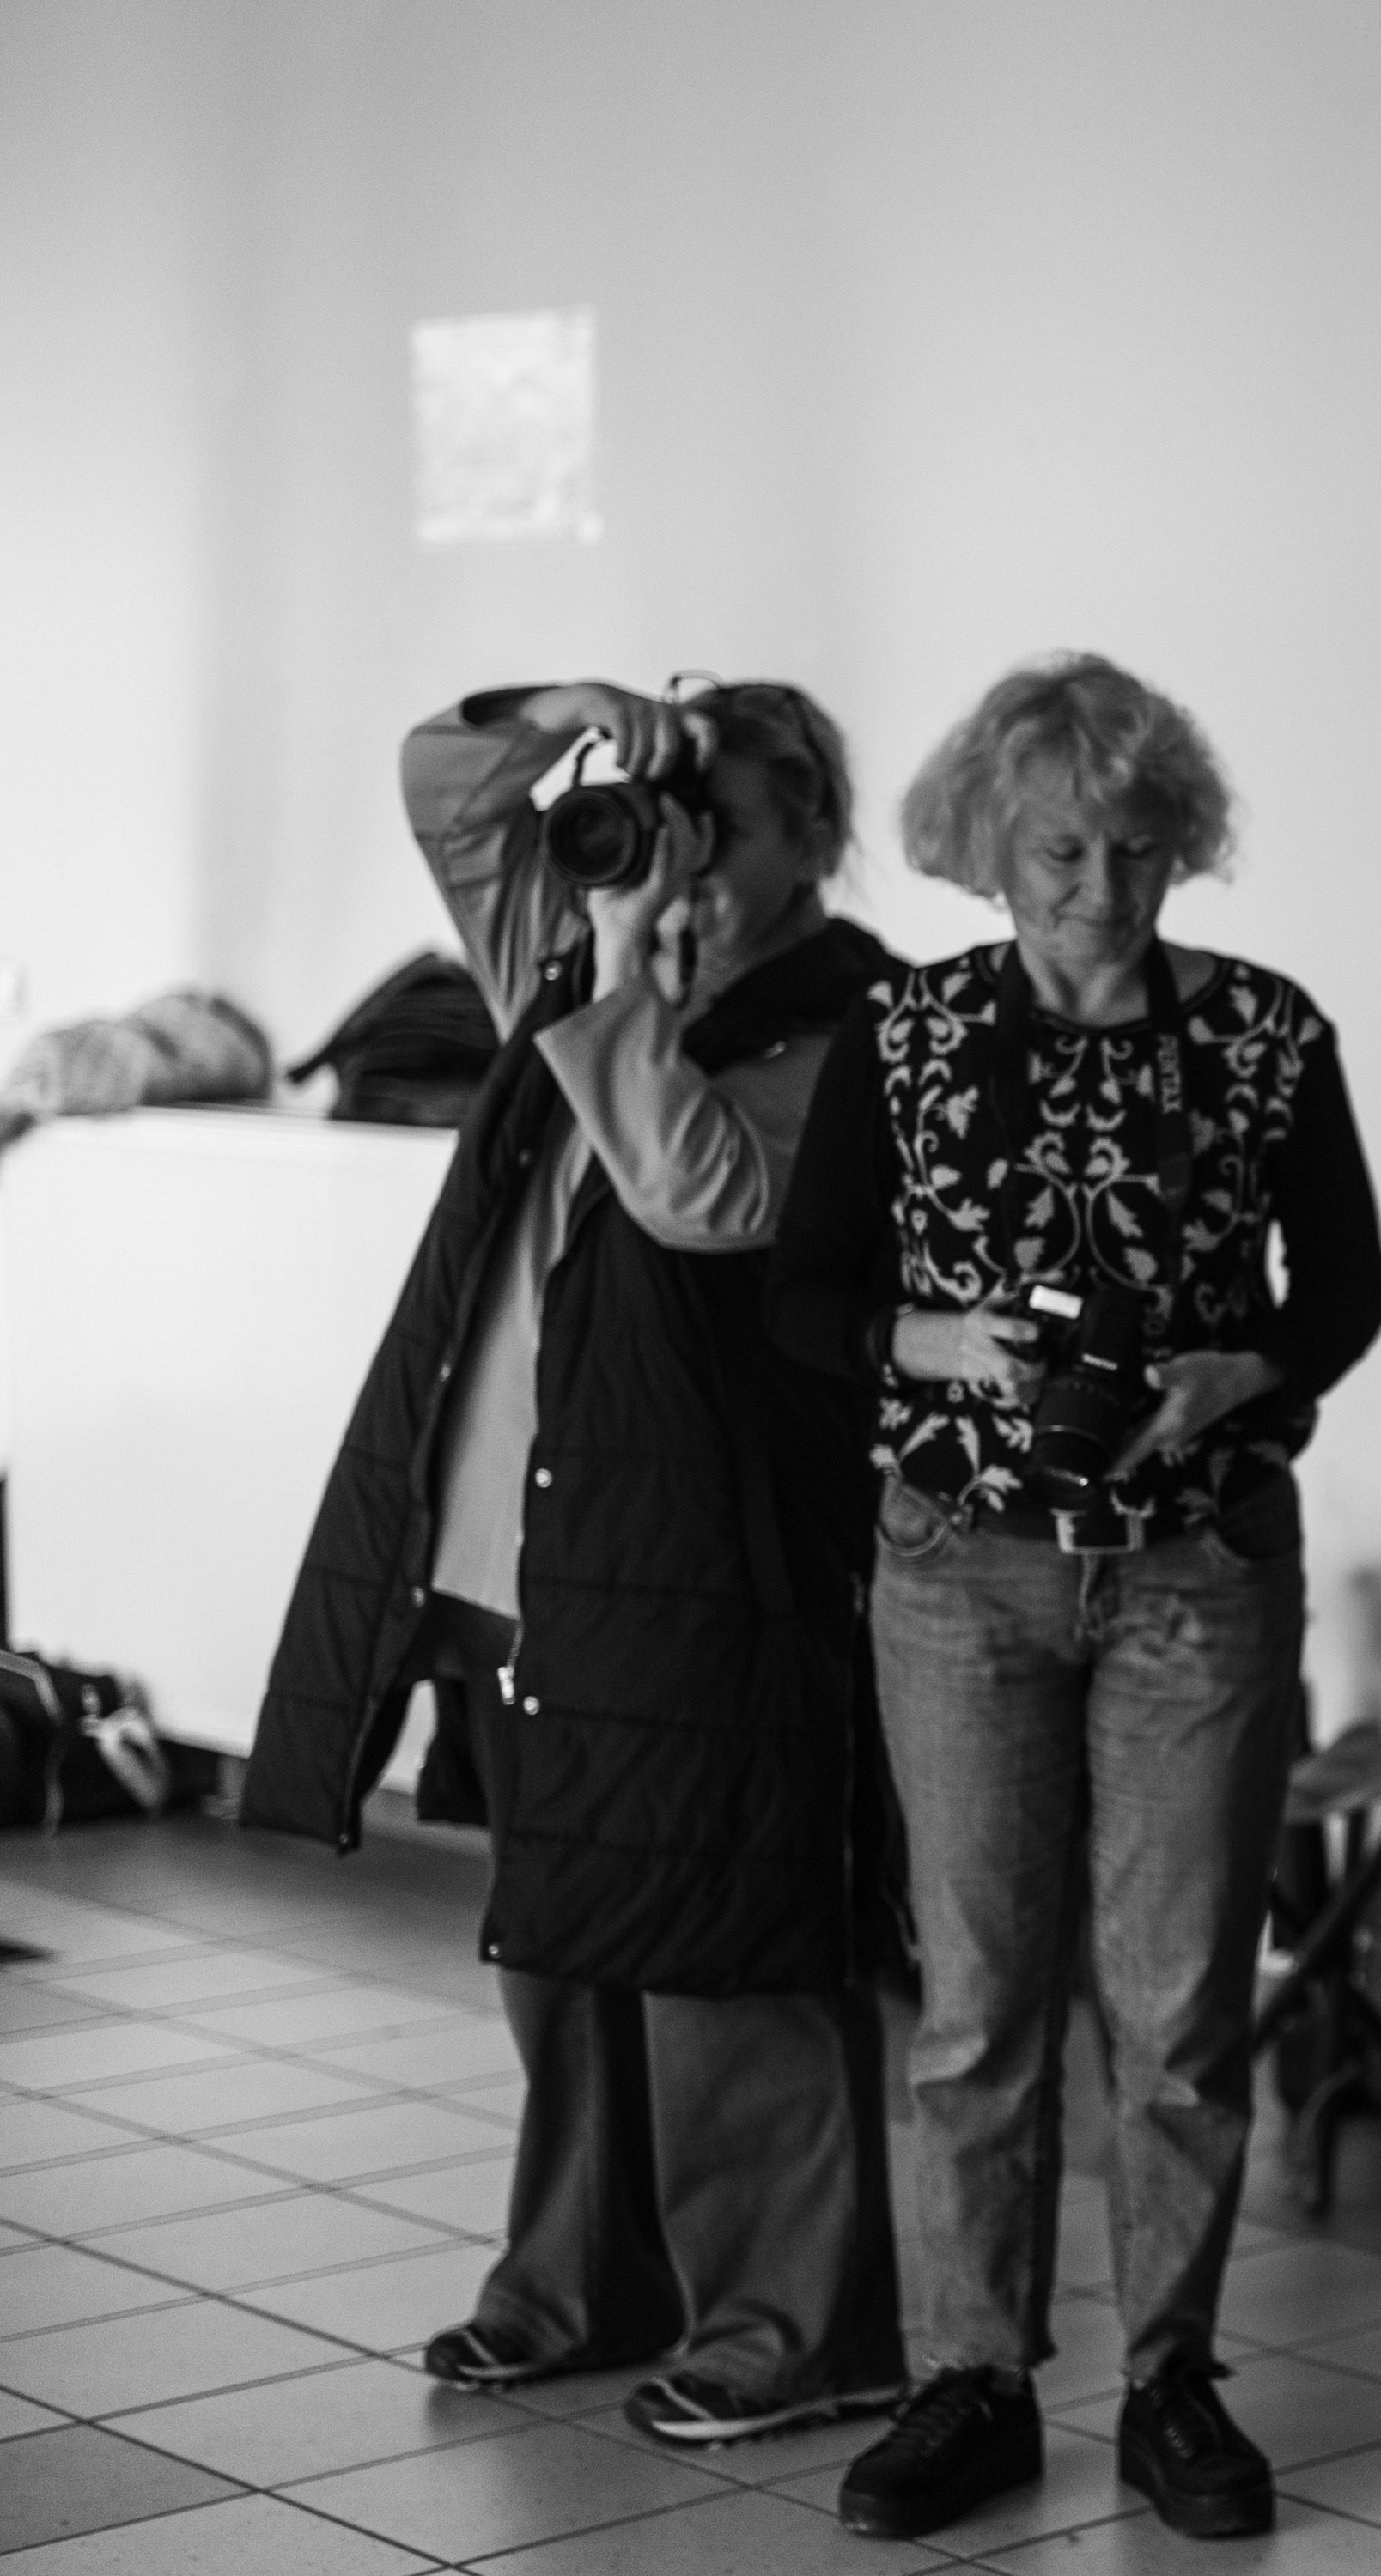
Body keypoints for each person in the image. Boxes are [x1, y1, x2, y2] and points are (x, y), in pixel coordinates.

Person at [769, 652, 1381, 2543]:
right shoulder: (906, 1035)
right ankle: (972, 2376)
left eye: (1135, 848)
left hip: (1198, 1565)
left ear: (1180, 844)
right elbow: (804, 1299)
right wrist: (940, 1337)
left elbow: (1345, 1289)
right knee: (976, 2007)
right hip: (961, 1567)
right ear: (989, 848)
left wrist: (1240, 1371)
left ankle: (1171, 2381)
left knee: (1181, 2009)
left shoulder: (1267, 1033)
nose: (1100, 889)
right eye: (1059, 850)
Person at [244, 677, 906, 2445]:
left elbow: (709, 1194)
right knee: (559, 1941)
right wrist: (568, 716)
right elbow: (447, 785)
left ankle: (797, 2328)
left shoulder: (860, 1022)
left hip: (702, 1561)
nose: (688, 853)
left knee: (726, 1942)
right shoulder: (572, 941)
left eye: (729, 824)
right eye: (673, 813)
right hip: (509, 1552)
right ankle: (580, 2286)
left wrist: (626, 970)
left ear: (816, 839)